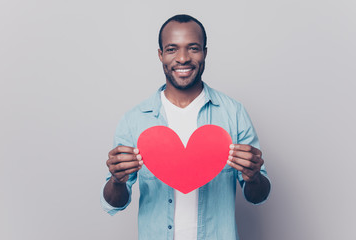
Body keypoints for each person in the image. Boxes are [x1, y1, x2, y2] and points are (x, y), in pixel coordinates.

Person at [101, 14, 271, 240]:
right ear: (160, 55)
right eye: (172, 49)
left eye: (193, 48)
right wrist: (117, 180)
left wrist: (254, 176)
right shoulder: (135, 120)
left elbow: (258, 195)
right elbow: (114, 202)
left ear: (205, 53)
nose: (182, 58)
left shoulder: (234, 113)